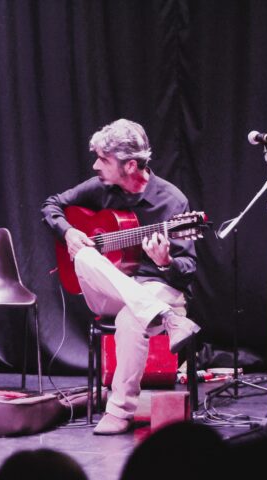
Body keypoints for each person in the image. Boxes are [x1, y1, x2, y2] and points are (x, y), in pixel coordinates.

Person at [41, 119, 200, 435]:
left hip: (158, 287)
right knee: (83, 254)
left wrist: (166, 262)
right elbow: (51, 206)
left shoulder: (172, 201)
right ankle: (168, 320)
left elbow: (188, 270)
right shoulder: (100, 187)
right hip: (109, 290)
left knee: (131, 318)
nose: (95, 165)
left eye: (103, 159)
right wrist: (69, 232)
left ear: (129, 165)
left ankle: (118, 412)